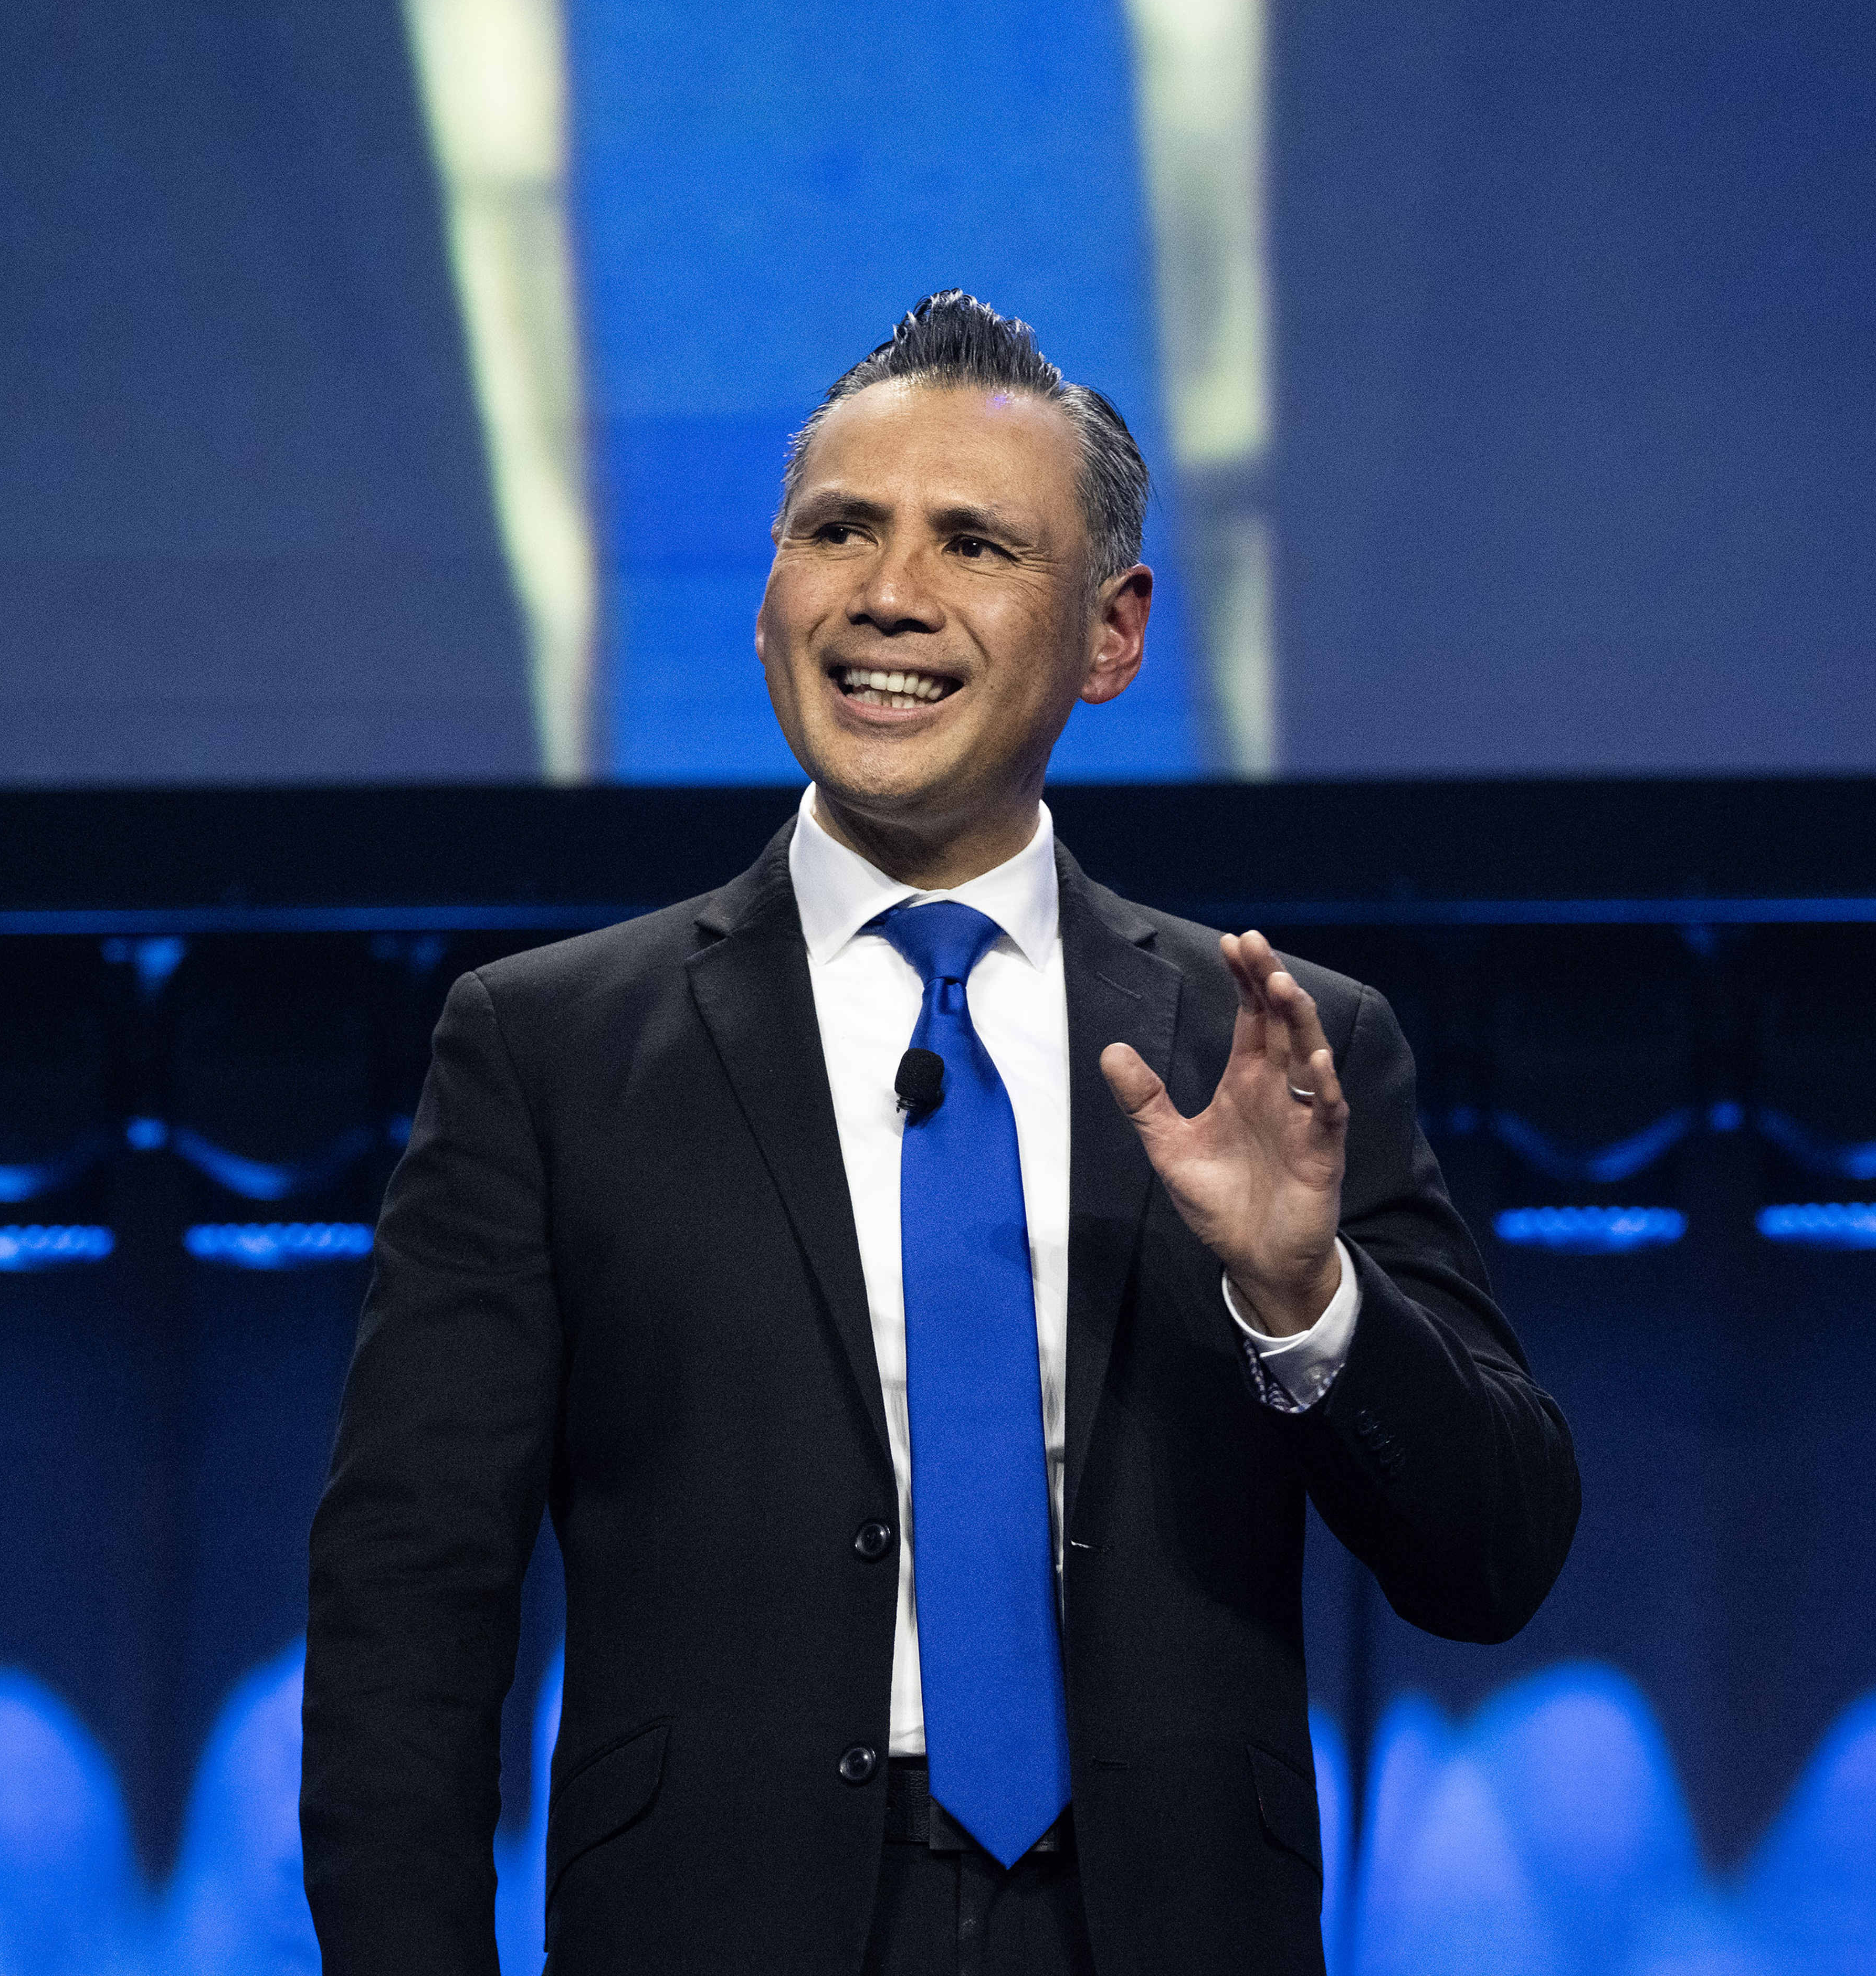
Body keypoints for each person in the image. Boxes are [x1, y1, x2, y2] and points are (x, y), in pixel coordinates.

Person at [302, 290, 1578, 1974]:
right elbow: (410, 1607)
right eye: (841, 530)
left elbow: (1490, 1557)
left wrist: (1302, 1298)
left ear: (1113, 635)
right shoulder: (547, 1050)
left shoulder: (1279, 1045)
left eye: (974, 543)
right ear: (768, 602)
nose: (887, 595)